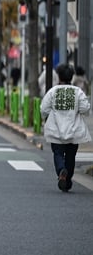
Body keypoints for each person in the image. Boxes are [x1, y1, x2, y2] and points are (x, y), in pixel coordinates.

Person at [40, 63, 91, 192]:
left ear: (59, 76)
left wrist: (45, 116)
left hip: (56, 129)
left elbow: (43, 109)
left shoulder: (53, 91)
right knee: (70, 156)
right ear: (71, 77)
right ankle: (67, 180)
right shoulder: (77, 92)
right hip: (74, 130)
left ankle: (61, 171)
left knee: (57, 153)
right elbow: (85, 108)